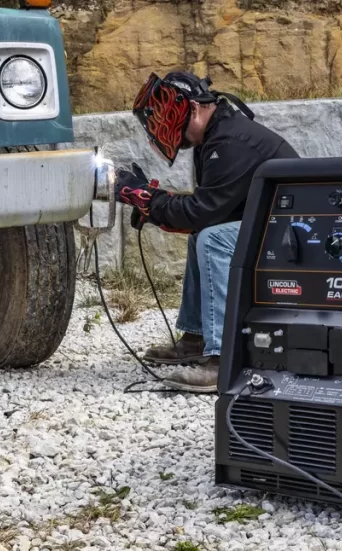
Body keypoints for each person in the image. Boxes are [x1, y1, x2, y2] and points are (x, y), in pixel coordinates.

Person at [114, 71, 299, 392]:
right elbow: (207, 212)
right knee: (206, 235)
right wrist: (153, 204)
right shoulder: (216, 137)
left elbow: (197, 214)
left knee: (211, 237)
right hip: (275, 224)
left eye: (166, 117)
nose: (161, 128)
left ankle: (222, 359)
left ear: (194, 108)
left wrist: (146, 199)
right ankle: (195, 339)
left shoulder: (229, 143)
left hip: (293, 235)